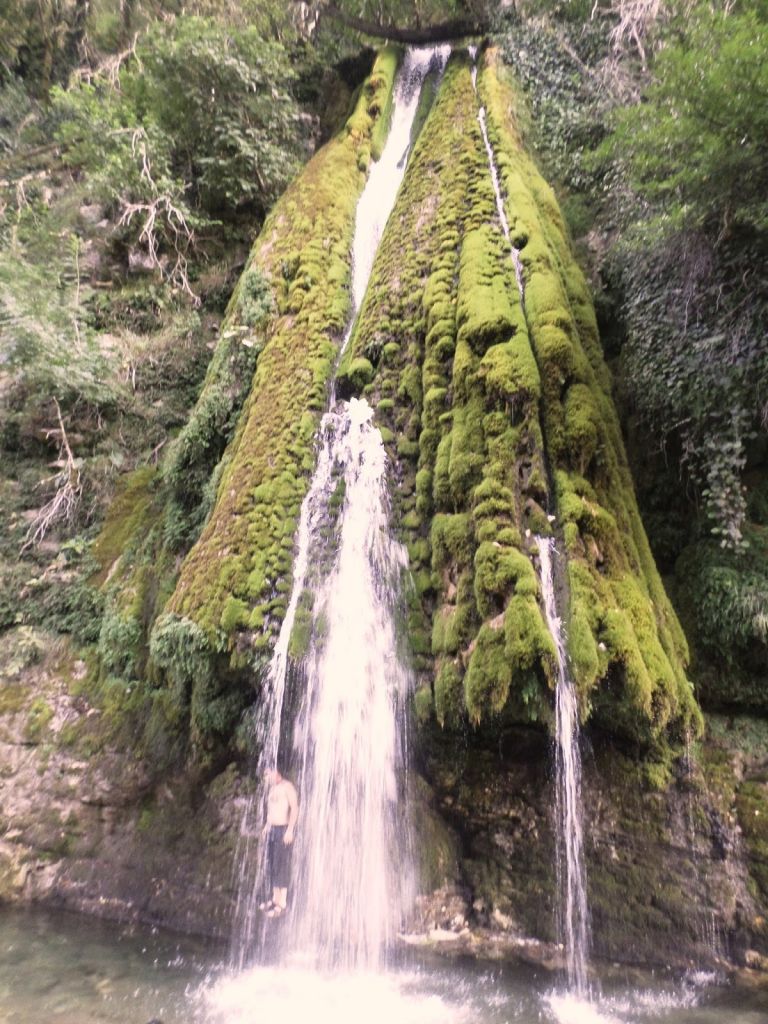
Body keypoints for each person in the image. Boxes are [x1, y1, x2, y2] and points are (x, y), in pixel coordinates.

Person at [260, 765, 298, 918]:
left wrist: (290, 830)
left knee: (281, 864)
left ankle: (282, 903)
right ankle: (275, 899)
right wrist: (266, 826)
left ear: (276, 772)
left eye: (268, 774)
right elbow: (271, 810)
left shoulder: (287, 787)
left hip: (283, 830)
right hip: (272, 830)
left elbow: (295, 808)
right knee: (272, 864)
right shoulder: (272, 789)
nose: (266, 778)